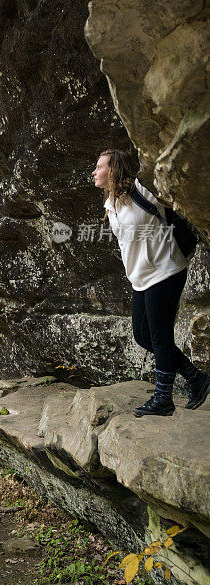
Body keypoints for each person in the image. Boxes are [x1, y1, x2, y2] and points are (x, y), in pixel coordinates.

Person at [92, 148, 210, 417]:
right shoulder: (110, 203)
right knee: (143, 336)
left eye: (99, 167)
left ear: (114, 169)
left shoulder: (142, 191)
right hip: (139, 278)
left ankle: (163, 399)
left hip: (165, 270)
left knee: (160, 337)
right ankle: (195, 378)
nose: (94, 171)